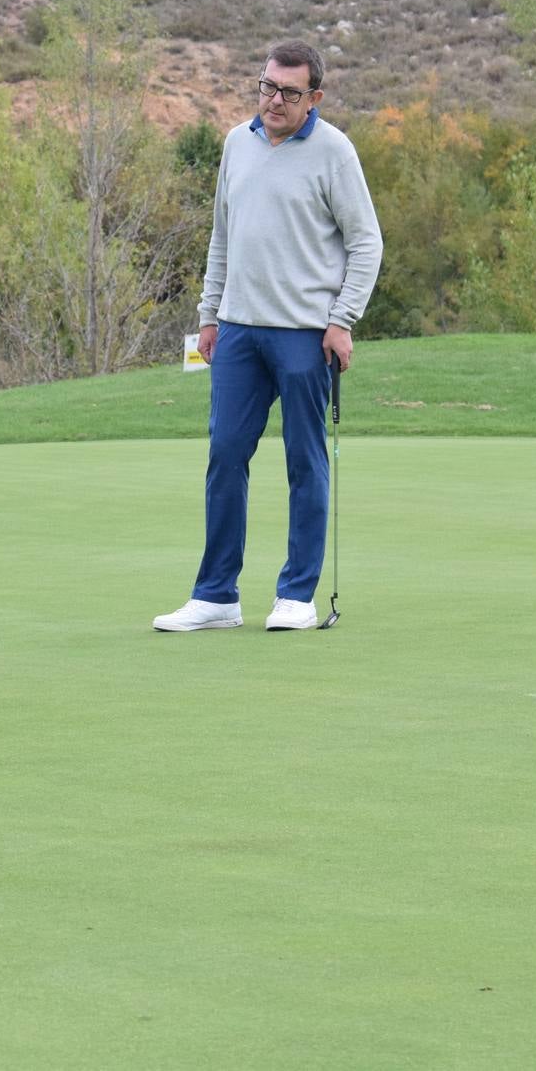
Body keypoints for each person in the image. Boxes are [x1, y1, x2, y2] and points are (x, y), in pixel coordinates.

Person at [155, 42, 383, 633]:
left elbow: (365, 243)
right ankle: (216, 596)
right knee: (225, 455)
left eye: (288, 92)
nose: (274, 100)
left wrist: (342, 320)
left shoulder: (334, 152)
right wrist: (209, 314)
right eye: (266, 86)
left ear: (315, 98)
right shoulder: (238, 142)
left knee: (304, 462)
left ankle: (296, 596)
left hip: (305, 335)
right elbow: (222, 237)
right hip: (237, 331)